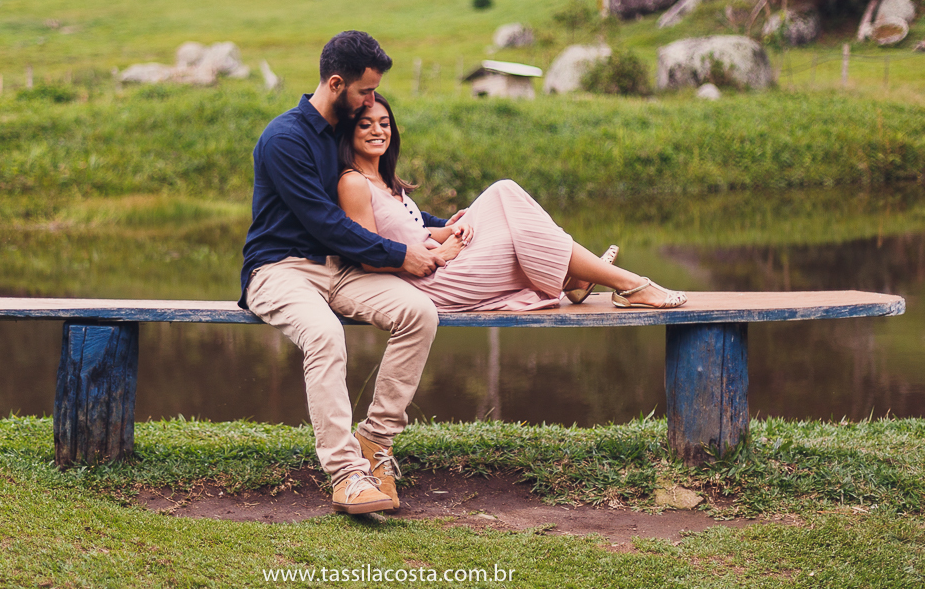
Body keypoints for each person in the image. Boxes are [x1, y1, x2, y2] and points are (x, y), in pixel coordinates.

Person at [240, 31, 454, 515]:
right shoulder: (284, 138)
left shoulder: (342, 131)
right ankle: (347, 475)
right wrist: (403, 256)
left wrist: (440, 227)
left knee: (418, 312)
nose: (372, 102)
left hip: (341, 269)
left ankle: (375, 441)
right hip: (280, 269)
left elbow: (378, 204)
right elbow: (325, 222)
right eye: (365, 91)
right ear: (337, 84)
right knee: (325, 335)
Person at [336, 93, 689, 312]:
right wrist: (437, 255)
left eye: (384, 123)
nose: (377, 130)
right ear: (350, 132)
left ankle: (583, 281)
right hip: (432, 280)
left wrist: (446, 229)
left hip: (440, 259)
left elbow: (408, 230)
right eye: (366, 124)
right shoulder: (353, 183)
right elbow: (368, 254)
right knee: (514, 239)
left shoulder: (385, 181)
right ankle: (624, 284)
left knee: (504, 193)